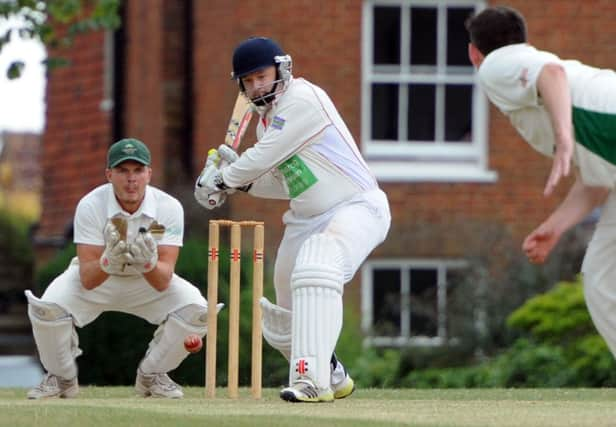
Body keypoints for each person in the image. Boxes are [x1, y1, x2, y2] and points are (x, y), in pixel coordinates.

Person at [194, 37, 391, 402]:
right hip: (305, 218)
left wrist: (223, 178)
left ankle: (309, 383)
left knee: (318, 265)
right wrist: (239, 181)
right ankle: (331, 374)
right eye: (248, 81)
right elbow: (283, 182)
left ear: (281, 69)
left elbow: (265, 154)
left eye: (261, 77)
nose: (256, 87)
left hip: (357, 207)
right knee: (283, 316)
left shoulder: (303, 100)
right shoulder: (264, 126)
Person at [465, 7, 616, 361]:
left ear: (473, 52)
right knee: (599, 278)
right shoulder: (523, 69)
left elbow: (551, 73)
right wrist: (554, 227)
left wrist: (564, 137)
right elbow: (597, 181)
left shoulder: (497, 64)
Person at [25, 138, 219, 399]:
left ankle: (152, 376)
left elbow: (163, 280)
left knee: (197, 312)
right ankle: (61, 378)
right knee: (46, 310)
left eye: (138, 171)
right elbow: (88, 277)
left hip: (145, 280)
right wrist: (109, 261)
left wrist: (148, 263)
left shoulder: (167, 208)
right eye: (122, 171)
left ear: (149, 173)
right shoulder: (91, 205)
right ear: (109, 175)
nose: (131, 179)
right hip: (100, 278)